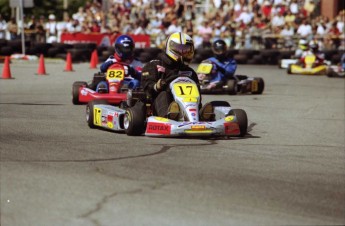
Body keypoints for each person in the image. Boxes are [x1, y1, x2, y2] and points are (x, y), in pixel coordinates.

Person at [141, 32, 212, 121]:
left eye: (187, 49)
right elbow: (146, 87)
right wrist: (157, 86)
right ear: (171, 47)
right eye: (180, 48)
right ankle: (168, 117)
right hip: (157, 104)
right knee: (163, 94)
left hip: (186, 106)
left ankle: (199, 116)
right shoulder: (154, 65)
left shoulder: (190, 71)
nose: (184, 52)